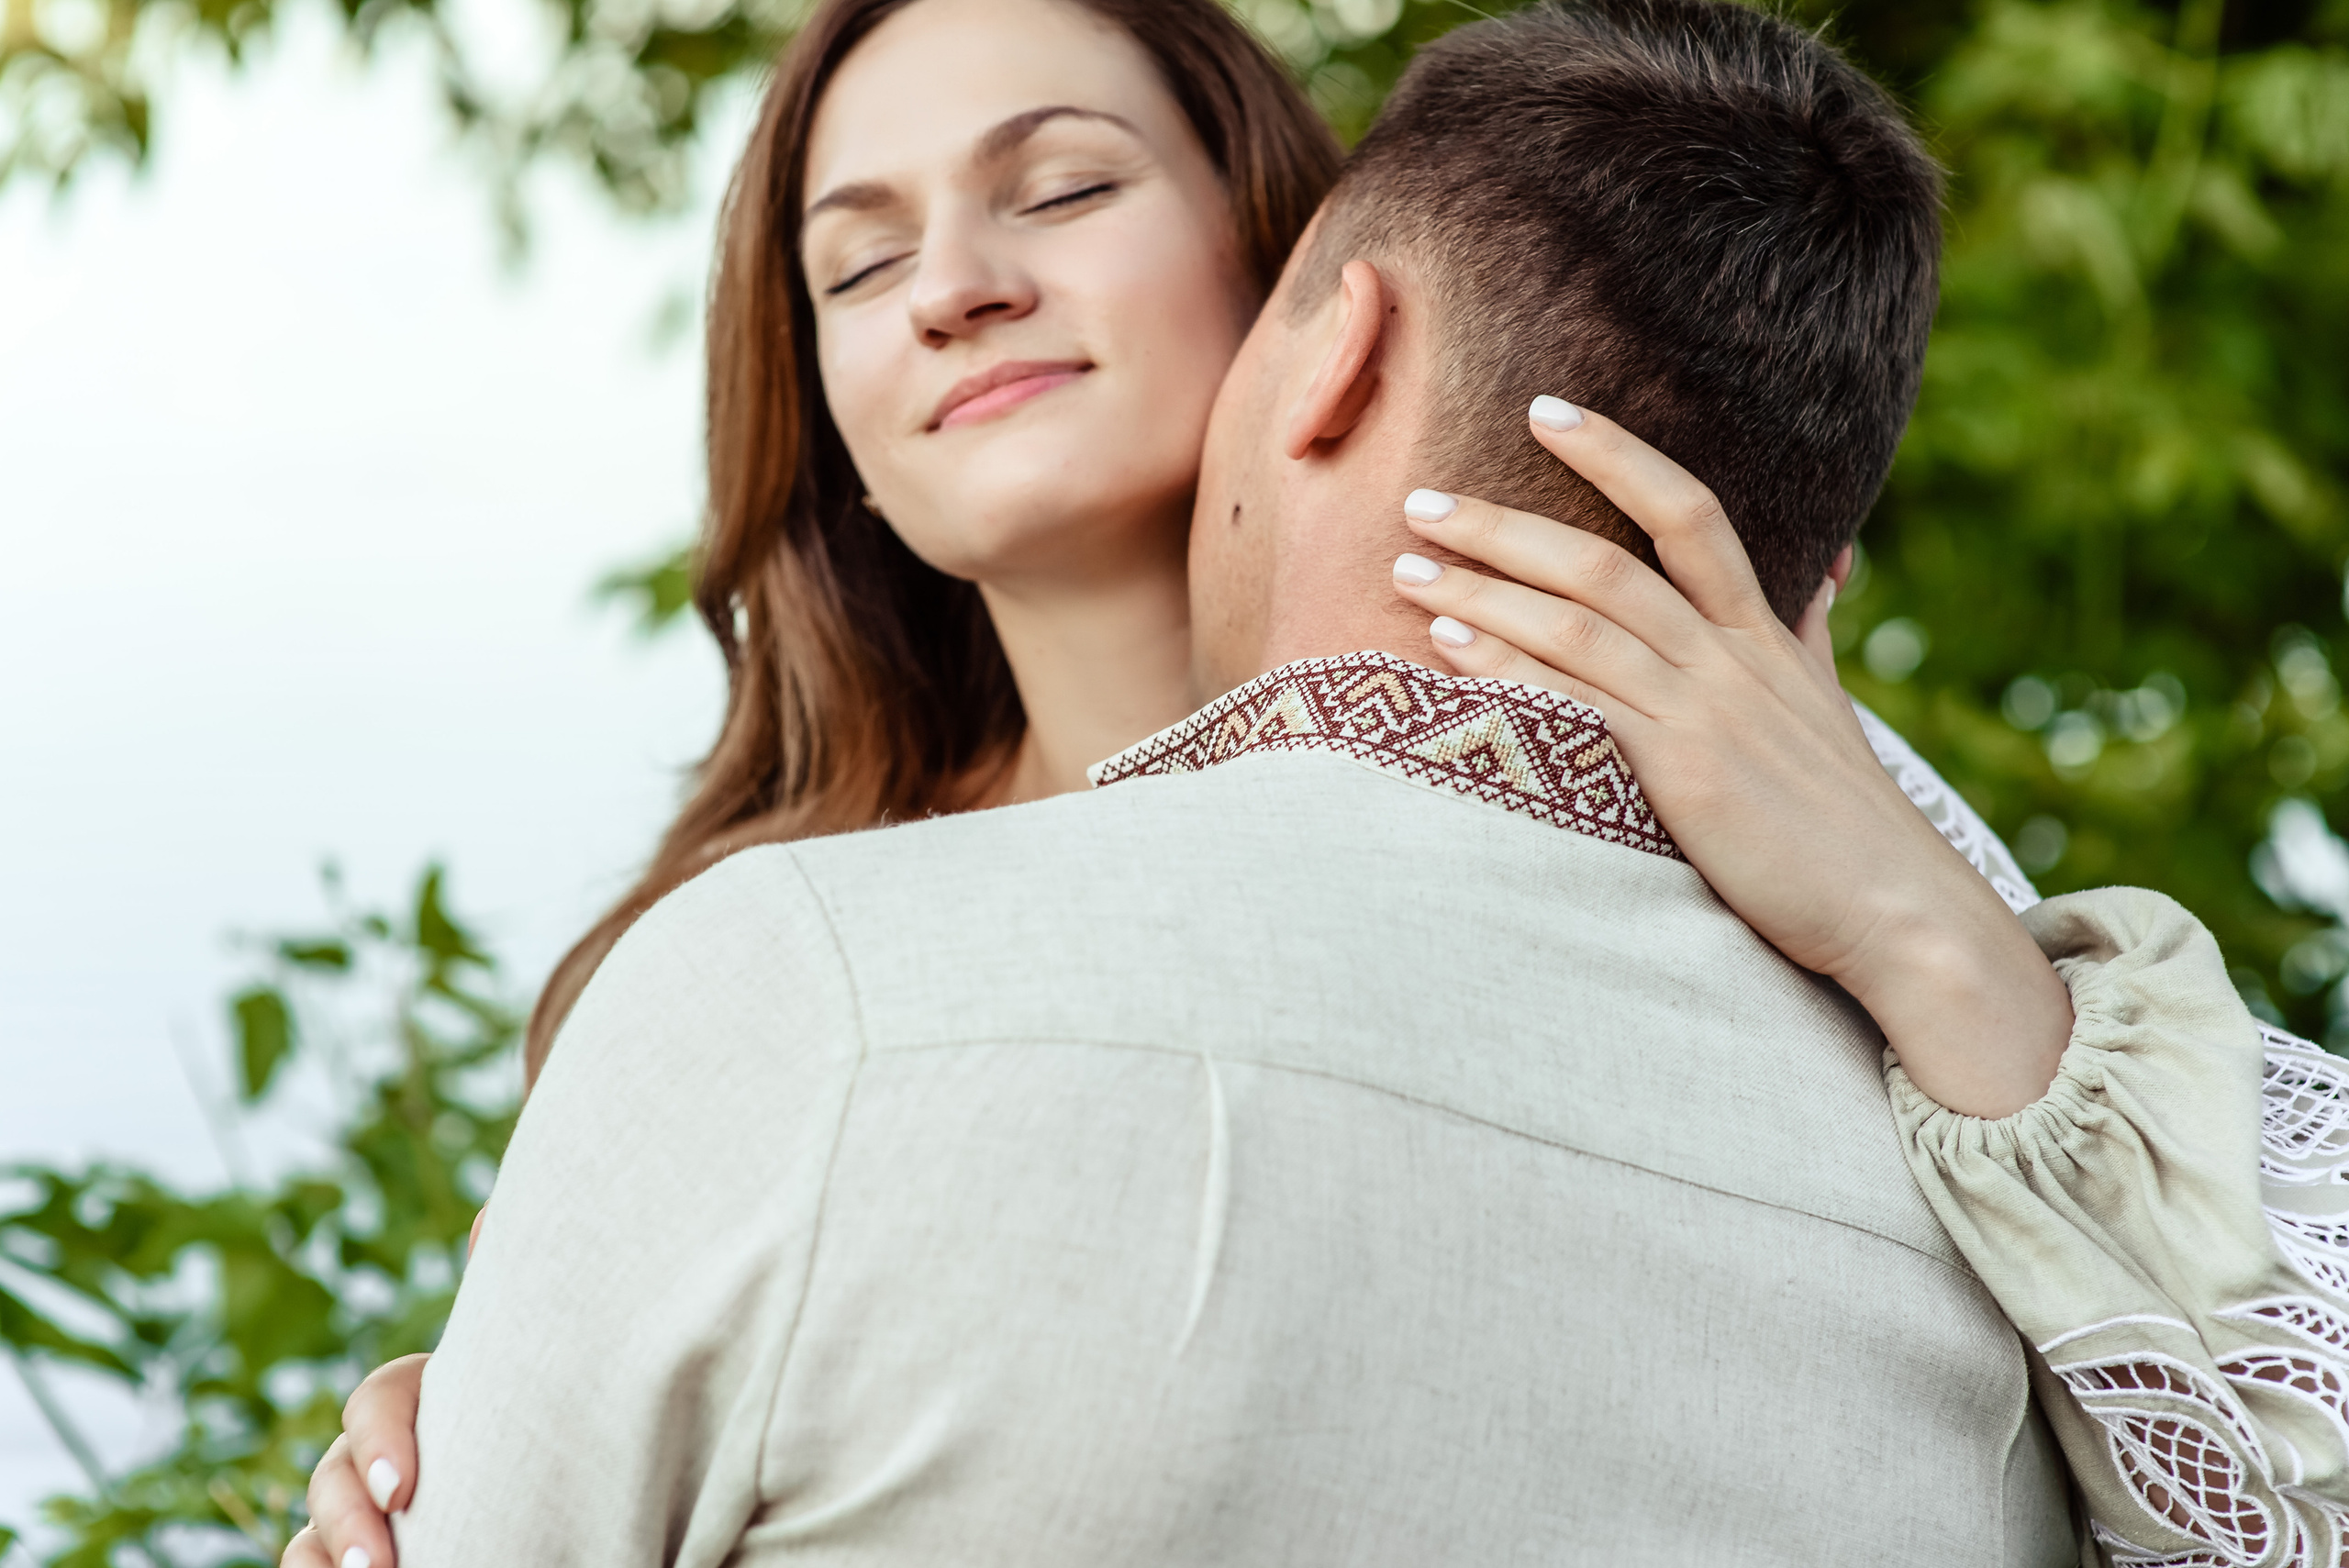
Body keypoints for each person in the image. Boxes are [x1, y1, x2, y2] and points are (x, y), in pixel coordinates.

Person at [286, 0, 2349, 1564]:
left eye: (1062, 186)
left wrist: (1917, 922)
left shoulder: (1757, 787)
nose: (951, 287)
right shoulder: (745, 962)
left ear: (1309, 294)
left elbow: (2256, 1369)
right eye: (853, 262)